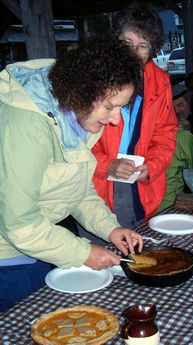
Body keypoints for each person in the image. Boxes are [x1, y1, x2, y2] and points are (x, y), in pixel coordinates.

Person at [0, 38, 143, 312]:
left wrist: (109, 228)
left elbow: (75, 186)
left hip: (38, 243)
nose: (115, 120)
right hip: (7, 255)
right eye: (110, 106)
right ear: (83, 91)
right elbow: (20, 226)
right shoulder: (26, 127)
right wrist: (83, 252)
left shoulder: (76, 114)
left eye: (120, 108)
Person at [91, 2, 178, 231]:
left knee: (138, 250)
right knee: (100, 251)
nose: (132, 52)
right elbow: (73, 138)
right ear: (115, 40)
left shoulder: (160, 81)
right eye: (126, 43)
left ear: (152, 50)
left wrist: (151, 166)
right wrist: (106, 165)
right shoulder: (93, 77)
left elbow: (166, 133)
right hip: (95, 183)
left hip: (140, 182)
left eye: (142, 46)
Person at [157, 86, 193, 212]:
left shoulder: (148, 131)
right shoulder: (183, 137)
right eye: (171, 106)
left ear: (189, 103)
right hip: (171, 206)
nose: (176, 110)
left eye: (180, 105)